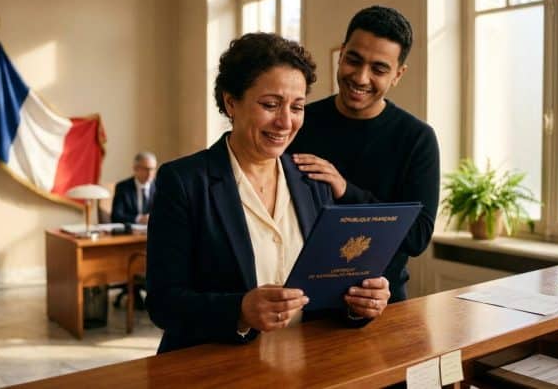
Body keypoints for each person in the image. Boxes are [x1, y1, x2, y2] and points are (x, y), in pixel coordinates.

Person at [146, 33, 391, 354]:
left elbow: (329, 291)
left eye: (297, 107)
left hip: (304, 367)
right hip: (212, 369)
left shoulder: (313, 180)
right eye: (270, 105)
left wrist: (360, 304)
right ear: (231, 102)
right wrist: (240, 311)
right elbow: (163, 303)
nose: (285, 122)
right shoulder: (183, 181)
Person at [288, 6, 440, 303]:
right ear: (342, 53)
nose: (360, 77)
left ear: (398, 74)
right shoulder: (299, 122)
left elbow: (418, 236)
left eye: (379, 69)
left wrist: (346, 190)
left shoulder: (417, 139)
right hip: (299, 302)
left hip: (380, 303)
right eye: (353, 60)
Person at [111, 152, 157, 225]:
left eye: (153, 169)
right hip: (130, 233)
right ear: (135, 169)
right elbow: (116, 216)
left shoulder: (159, 187)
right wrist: (139, 219)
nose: (150, 173)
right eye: (146, 169)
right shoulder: (122, 187)